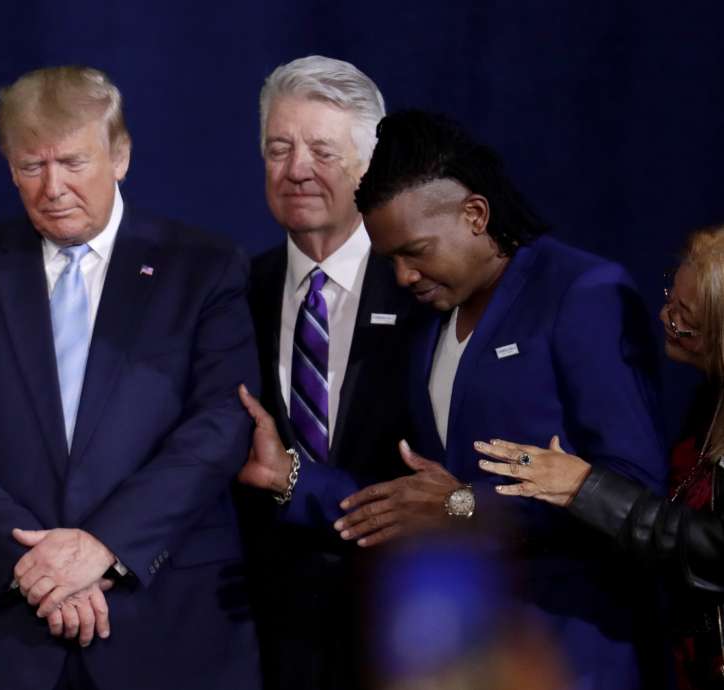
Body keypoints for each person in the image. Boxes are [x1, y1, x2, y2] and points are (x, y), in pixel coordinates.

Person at [0, 65, 261, 690]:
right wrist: (30, 566)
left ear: (119, 156)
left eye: (72, 162)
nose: (53, 187)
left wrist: (104, 547)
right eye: (32, 166)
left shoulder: (201, 268)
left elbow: (220, 425)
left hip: (163, 622)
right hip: (0, 624)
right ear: (10, 168)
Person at [337, 109, 667, 689]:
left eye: (415, 251)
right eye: (391, 259)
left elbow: (634, 489)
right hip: (460, 655)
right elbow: (420, 489)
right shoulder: (431, 313)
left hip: (574, 653)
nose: (405, 275)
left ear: (475, 214)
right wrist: (286, 476)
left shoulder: (584, 293)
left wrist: (464, 504)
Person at [232, 56, 417, 690]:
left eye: (322, 151)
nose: (297, 169)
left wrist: (298, 483)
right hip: (264, 634)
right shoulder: (232, 294)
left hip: (404, 629)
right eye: (278, 148)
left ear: (372, 167)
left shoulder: (425, 293)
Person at [478, 223, 724, 689]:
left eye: (684, 314)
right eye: (671, 296)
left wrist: (583, 488)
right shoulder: (709, 399)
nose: (663, 317)